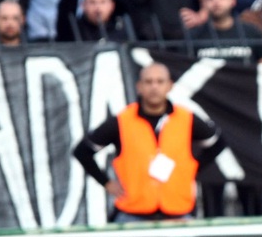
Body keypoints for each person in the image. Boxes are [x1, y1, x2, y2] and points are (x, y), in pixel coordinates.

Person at [73, 62, 227, 223]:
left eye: (160, 81)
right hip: (132, 215)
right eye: (148, 82)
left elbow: (217, 143)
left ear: (170, 86)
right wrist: (107, 183)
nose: (154, 87)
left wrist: (192, 168)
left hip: (179, 214)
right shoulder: (122, 121)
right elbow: (82, 151)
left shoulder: (186, 118)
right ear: (139, 87)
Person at [189, 0, 262, 64]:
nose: (216, 2)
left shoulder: (251, 32)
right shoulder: (193, 36)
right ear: (203, 2)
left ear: (233, 0)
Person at [57, 0, 129, 43]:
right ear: (83, 5)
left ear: (112, 5)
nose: (97, 7)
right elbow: (65, 8)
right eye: (92, 2)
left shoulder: (121, 28)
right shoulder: (74, 28)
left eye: (103, 2)